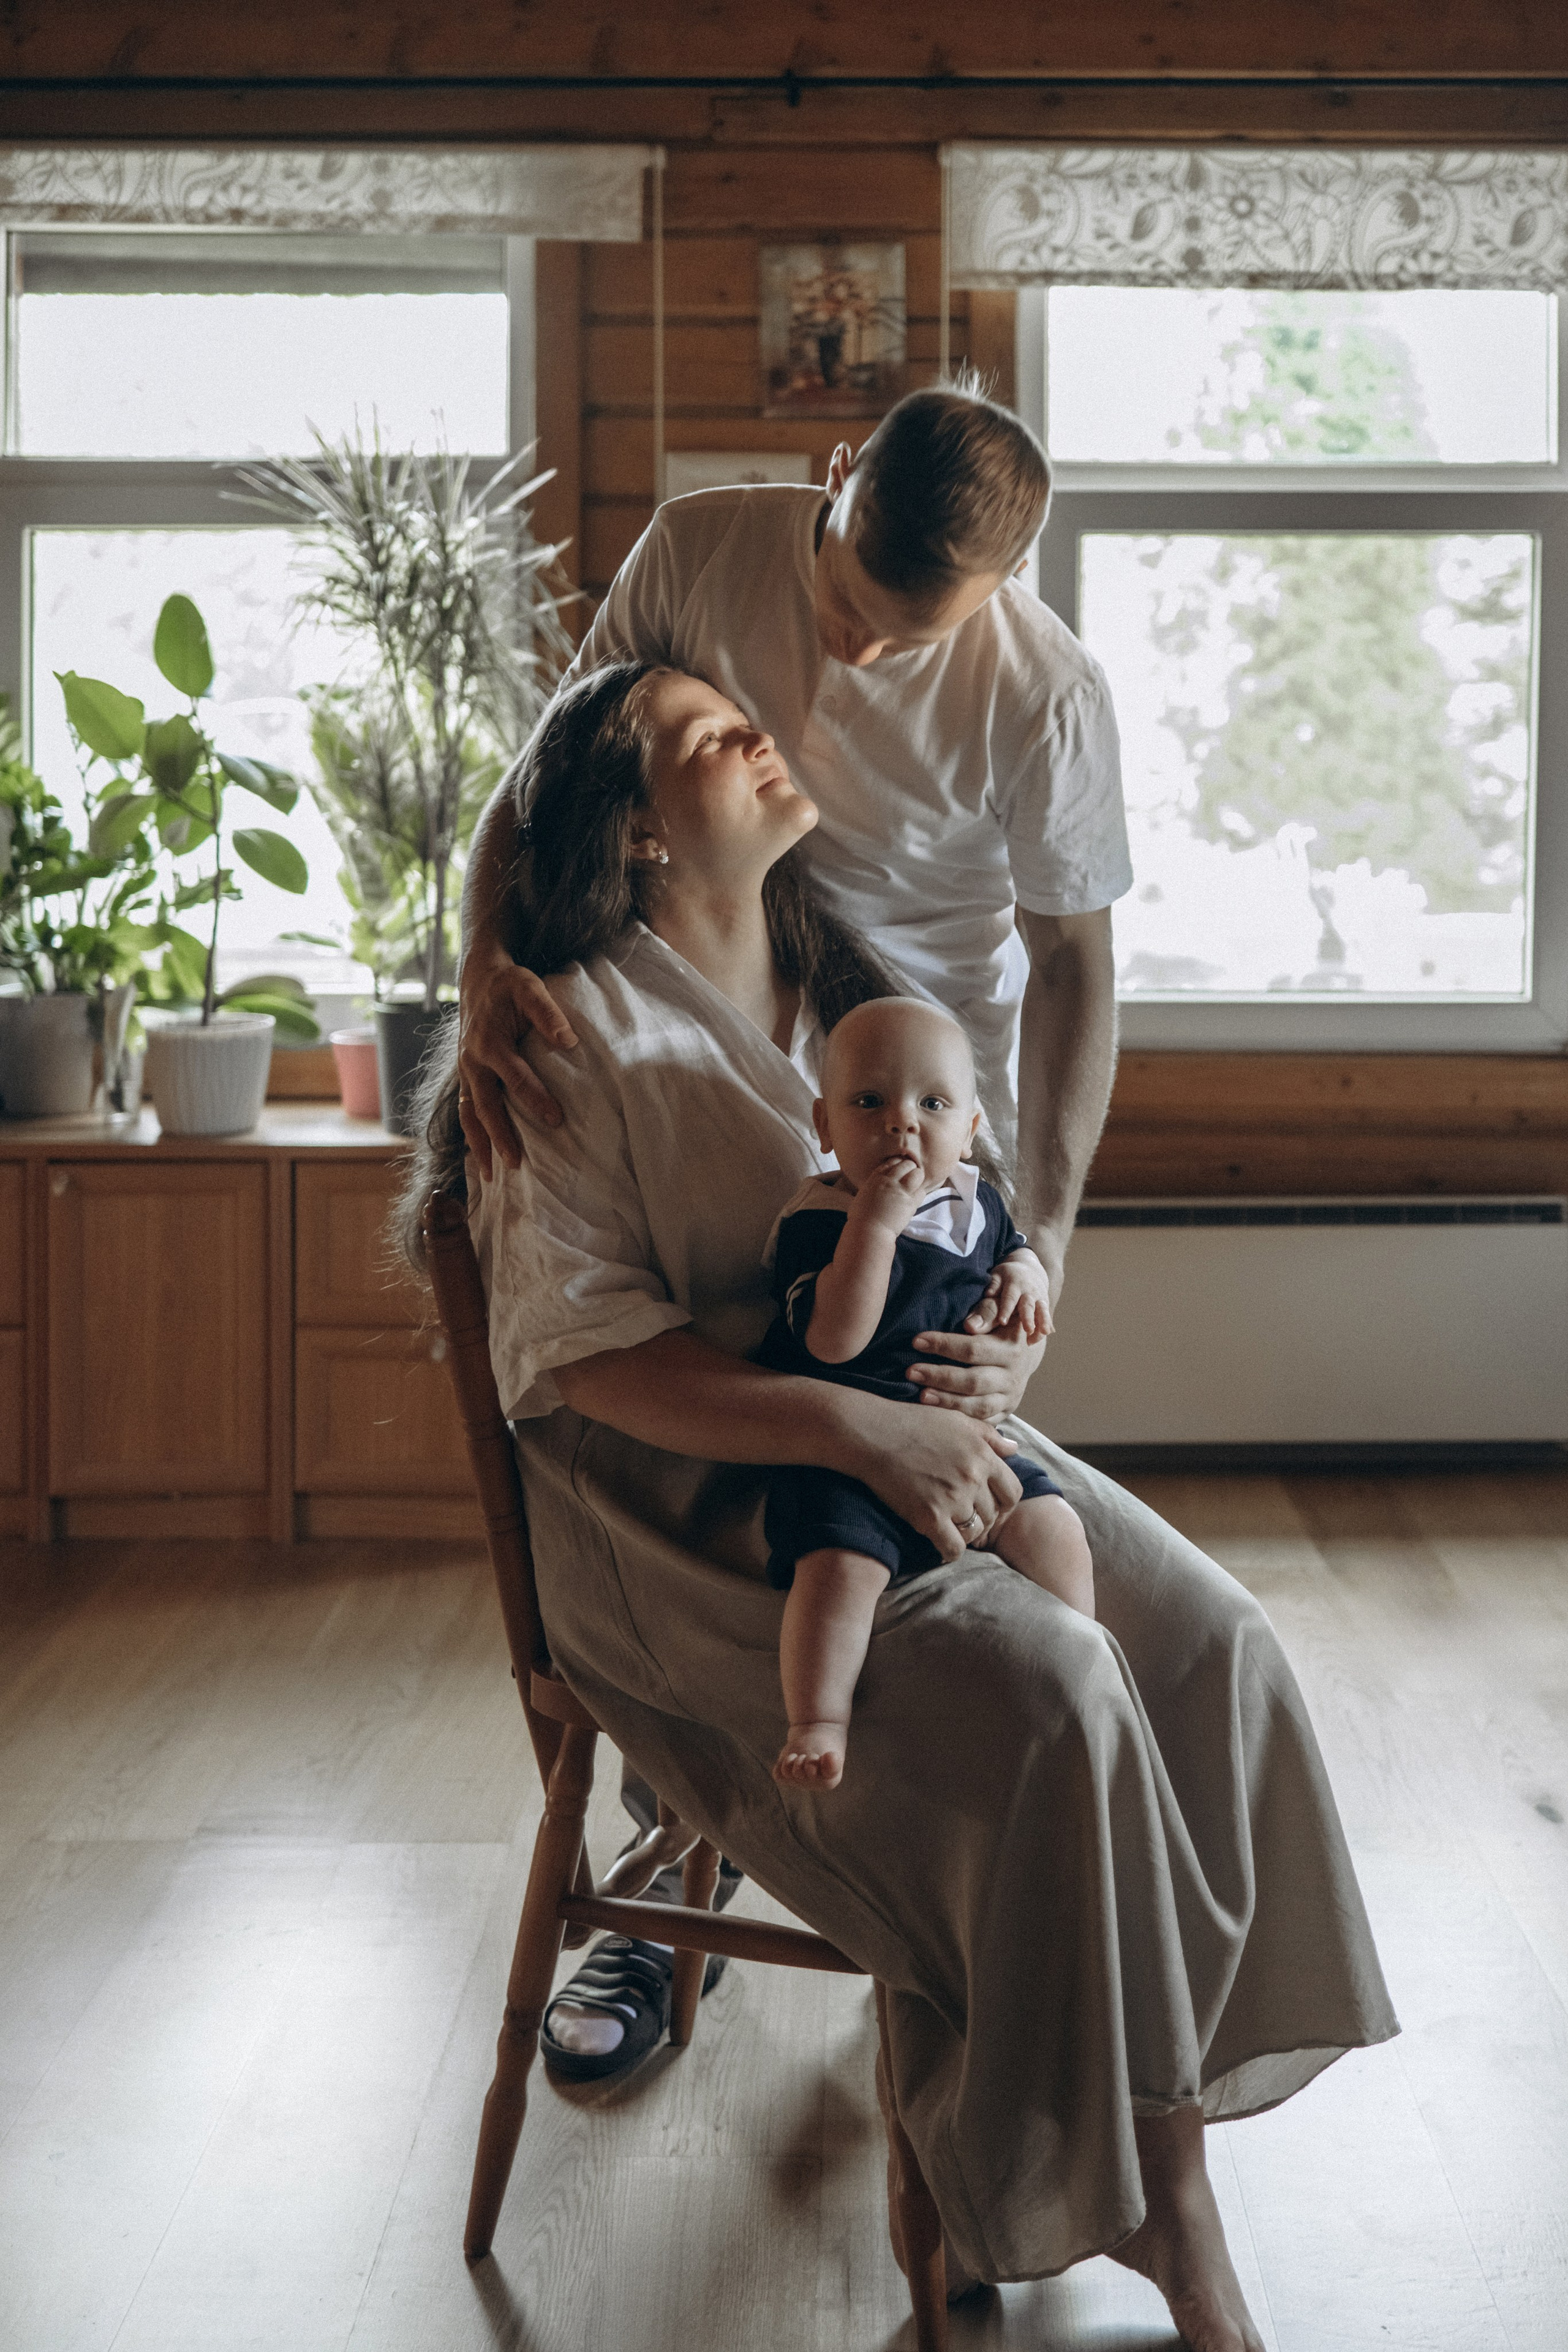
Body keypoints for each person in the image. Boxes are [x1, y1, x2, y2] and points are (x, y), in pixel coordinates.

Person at [407, 658, 1398, 2352]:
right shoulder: (570, 1028)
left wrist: (1005, 1358)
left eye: (742, 708)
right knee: (1056, 1685)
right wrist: (861, 1448)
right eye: (703, 739)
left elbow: (972, 1216)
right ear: (640, 831)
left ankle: (1119, 2134)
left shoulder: (843, 979)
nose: (754, 732)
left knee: (1213, 1642)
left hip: (917, 1434)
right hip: (693, 1510)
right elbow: (573, 1366)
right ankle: (1164, 2213)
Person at [458, 378, 1129, 2071]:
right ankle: (677, 1859)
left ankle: (955, 1881)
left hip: (909, 1097)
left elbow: (1077, 972)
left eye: (907, 646)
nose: (855, 666)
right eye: (839, 613)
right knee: (725, 1460)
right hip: (703, 1020)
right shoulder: (700, 546)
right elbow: (557, 762)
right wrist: (482, 981)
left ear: (1006, 592)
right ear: (832, 484)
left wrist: (1034, 1235)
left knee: (977, 1495)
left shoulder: (1046, 696)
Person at [761, 996, 1094, 1790]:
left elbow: (1015, 1252)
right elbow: (832, 1340)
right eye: (869, 1103)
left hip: (970, 1440)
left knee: (1054, 1524)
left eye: (932, 1105)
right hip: (851, 1450)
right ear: (824, 1124)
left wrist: (1023, 1272)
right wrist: (873, 1229)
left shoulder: (976, 1203)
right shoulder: (819, 1217)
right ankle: (818, 1718)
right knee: (837, 1570)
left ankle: (1084, 1659)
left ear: (972, 1126)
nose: (902, 1125)